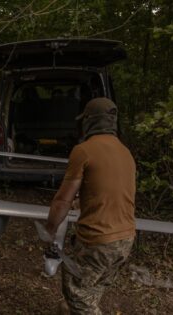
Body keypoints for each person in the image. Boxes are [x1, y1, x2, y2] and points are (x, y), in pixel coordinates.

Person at [44, 97, 136, 314]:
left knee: (77, 295)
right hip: (125, 240)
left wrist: (50, 229)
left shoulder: (83, 150)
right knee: (92, 289)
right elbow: (113, 192)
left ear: (89, 121)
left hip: (98, 240)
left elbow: (62, 201)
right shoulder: (126, 153)